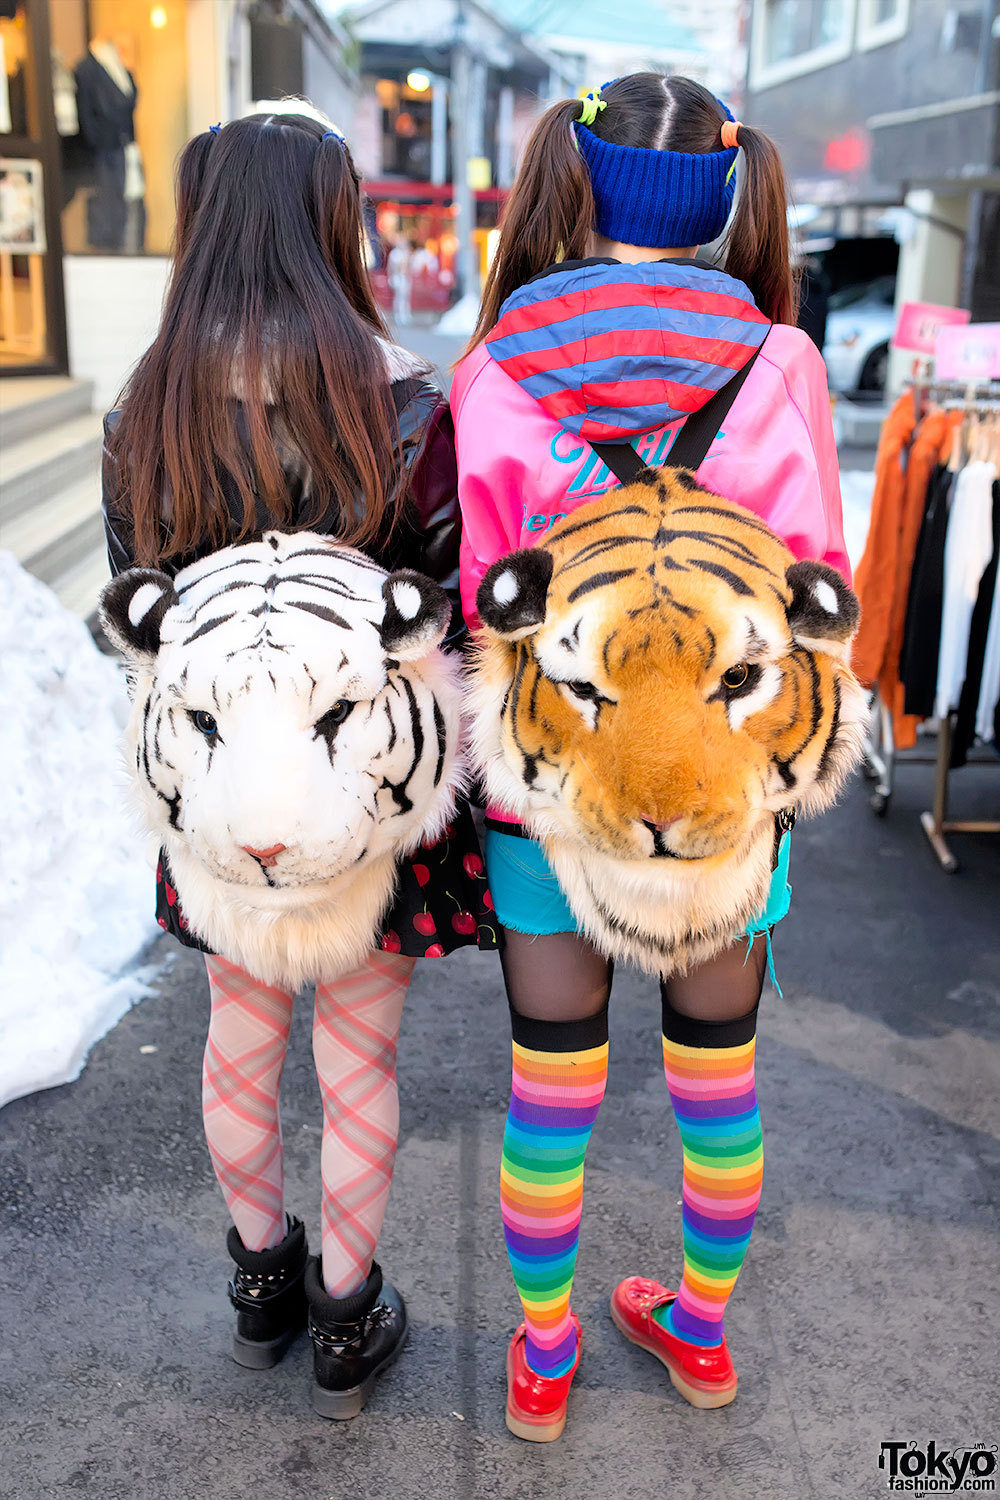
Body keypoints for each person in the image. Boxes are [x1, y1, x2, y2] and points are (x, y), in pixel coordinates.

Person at [452, 74, 850, 1441]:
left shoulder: (500, 360)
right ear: (722, 193)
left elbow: (479, 599)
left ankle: (548, 1361)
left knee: (551, 1084)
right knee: (718, 1079)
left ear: (587, 173)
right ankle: (698, 1336)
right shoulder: (780, 362)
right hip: (729, 794)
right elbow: (819, 589)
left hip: (554, 792)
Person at [102, 111, 495, 1419]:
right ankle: (344, 1308)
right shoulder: (407, 401)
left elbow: (138, 633)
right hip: (362, 807)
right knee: (360, 1058)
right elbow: (443, 621)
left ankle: (258, 1281)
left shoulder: (136, 410)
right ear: (342, 218)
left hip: (220, 803)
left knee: (237, 1037)